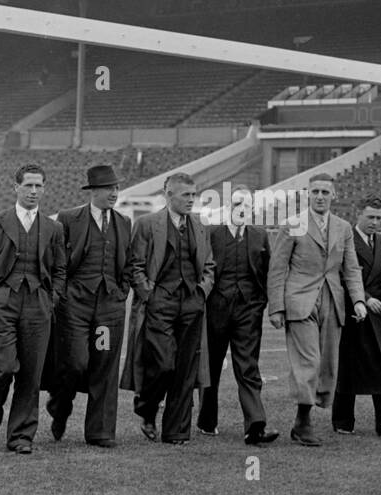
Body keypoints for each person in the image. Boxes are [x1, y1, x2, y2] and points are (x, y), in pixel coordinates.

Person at [0, 163, 67, 454]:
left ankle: (21, 436)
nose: (33, 191)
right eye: (28, 186)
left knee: (31, 374)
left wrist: (52, 300)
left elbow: (61, 269)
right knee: (1, 369)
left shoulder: (53, 228)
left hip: (38, 305)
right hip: (3, 302)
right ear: (16, 188)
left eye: (39, 186)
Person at [267, 173, 367, 446]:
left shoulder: (343, 227)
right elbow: (277, 268)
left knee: (326, 364)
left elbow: (351, 267)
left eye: (325, 192)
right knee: (308, 361)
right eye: (315, 192)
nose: (320, 196)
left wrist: (358, 300)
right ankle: (303, 421)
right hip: (300, 301)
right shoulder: (293, 224)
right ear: (307, 195)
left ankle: (306, 417)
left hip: (332, 301)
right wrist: (276, 307)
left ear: (334, 195)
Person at [120, 173, 215, 445]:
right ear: (169, 195)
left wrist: (202, 292)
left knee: (186, 369)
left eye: (193, 195)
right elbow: (135, 265)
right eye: (185, 195)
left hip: (191, 303)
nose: (191, 200)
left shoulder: (199, 225)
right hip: (159, 302)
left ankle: (176, 432)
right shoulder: (147, 224)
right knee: (163, 364)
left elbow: (209, 265)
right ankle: (146, 408)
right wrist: (149, 294)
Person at [46, 165, 133, 449]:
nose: (114, 193)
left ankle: (100, 431)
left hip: (108, 308)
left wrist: (122, 292)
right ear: (94, 191)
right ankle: (59, 406)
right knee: (75, 363)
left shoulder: (123, 222)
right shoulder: (69, 218)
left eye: (116, 188)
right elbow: (57, 259)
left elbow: (128, 263)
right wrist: (64, 294)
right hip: (75, 306)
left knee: (104, 365)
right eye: (109, 188)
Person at [197, 188, 279, 446]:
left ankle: (255, 425)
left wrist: (261, 303)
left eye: (246, 204)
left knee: (247, 367)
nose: (241, 208)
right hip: (216, 310)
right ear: (228, 207)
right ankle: (207, 420)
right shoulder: (213, 233)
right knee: (211, 366)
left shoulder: (260, 235)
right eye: (236, 203)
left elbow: (268, 273)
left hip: (248, 311)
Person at [331, 195, 381, 439]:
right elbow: (341, 274)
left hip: (379, 315)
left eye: (379, 218)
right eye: (370, 217)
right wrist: (365, 297)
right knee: (349, 366)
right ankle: (343, 420)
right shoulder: (345, 236)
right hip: (353, 313)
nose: (375, 222)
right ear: (358, 213)